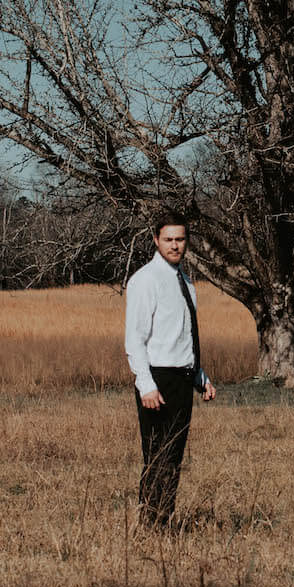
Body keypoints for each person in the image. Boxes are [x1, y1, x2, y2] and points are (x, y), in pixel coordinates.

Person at [124, 211, 216, 529]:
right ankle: (150, 525)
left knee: (174, 455)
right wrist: (146, 385)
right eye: (168, 240)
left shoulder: (186, 282)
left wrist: (200, 378)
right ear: (156, 240)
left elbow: (180, 335)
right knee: (157, 454)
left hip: (182, 377)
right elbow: (135, 339)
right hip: (157, 378)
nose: (175, 246)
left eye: (180, 239)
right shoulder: (145, 280)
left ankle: (164, 521)